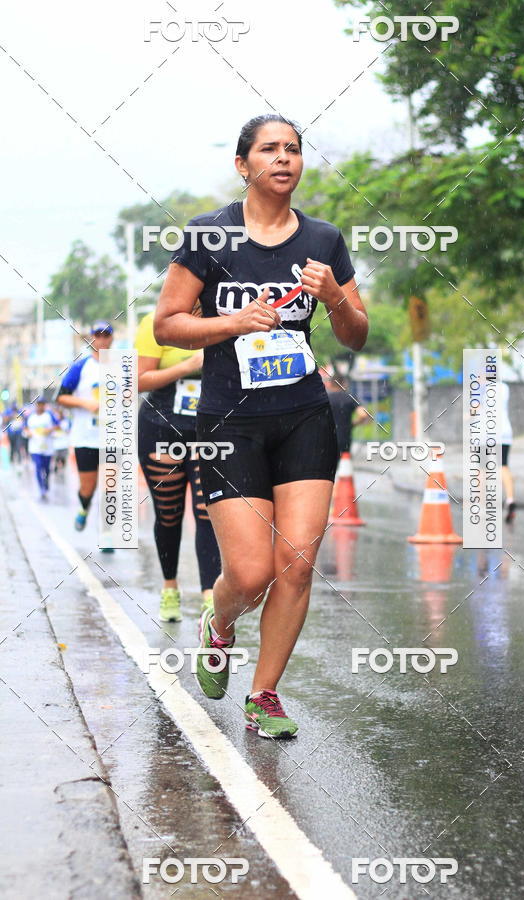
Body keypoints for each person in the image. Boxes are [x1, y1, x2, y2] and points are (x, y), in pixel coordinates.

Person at [154, 114, 368, 739]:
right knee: (249, 575)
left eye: (293, 150)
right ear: (243, 165)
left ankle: (264, 695)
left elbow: (357, 333)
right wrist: (232, 323)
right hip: (229, 420)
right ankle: (219, 625)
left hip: (303, 415)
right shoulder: (208, 236)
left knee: (296, 565)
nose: (284, 158)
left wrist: (333, 297)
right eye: (269, 150)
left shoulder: (325, 240)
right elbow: (168, 324)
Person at [135, 310, 221, 623]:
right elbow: (138, 379)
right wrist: (188, 366)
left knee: (207, 510)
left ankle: (209, 595)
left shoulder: (223, 316)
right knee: (169, 515)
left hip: (209, 427)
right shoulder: (155, 321)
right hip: (161, 424)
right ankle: (170, 586)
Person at [57, 321, 113, 534]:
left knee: (111, 489)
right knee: (88, 488)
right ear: (91, 338)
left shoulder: (123, 365)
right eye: (97, 335)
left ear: (111, 338)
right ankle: (84, 507)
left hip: (114, 437)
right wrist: (85, 403)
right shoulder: (80, 367)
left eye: (105, 335)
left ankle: (107, 535)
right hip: (86, 438)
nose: (101, 340)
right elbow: (61, 397)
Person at [325, 372, 370, 462]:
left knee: (327, 469)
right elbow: (363, 414)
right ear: (344, 384)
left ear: (330, 384)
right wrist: (353, 424)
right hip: (344, 439)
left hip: (326, 439)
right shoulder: (349, 398)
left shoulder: (325, 399)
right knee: (343, 468)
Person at [23, 397, 58, 501]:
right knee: (38, 466)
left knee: (46, 468)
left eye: (42, 404)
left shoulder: (49, 415)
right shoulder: (30, 417)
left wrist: (50, 429)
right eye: (39, 404)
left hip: (47, 447)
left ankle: (46, 483)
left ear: (45, 405)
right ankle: (41, 487)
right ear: (36, 405)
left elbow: (58, 425)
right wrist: (28, 432)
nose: (40, 406)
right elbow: (25, 428)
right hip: (35, 448)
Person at [501, 381, 516, 524]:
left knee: (481, 469)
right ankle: (510, 500)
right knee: (503, 466)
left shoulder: (481, 389)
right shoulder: (504, 387)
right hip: (505, 431)